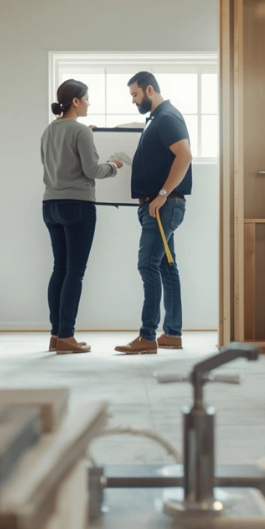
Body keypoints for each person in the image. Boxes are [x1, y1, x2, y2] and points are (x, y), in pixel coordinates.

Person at [41, 79, 123, 354]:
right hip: (77, 205)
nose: (89, 103)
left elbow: (61, 161)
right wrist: (113, 166)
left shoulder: (49, 131)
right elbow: (92, 170)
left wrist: (84, 135)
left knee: (60, 268)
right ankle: (67, 336)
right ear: (75, 101)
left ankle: (56, 335)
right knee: (75, 272)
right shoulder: (81, 132)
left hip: (50, 204)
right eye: (87, 98)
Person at [114, 72, 193, 355]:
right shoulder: (157, 119)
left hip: (163, 205)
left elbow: (185, 155)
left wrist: (161, 195)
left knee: (147, 265)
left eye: (135, 95)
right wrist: (105, 130)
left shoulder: (167, 118)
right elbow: (140, 126)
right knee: (165, 268)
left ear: (149, 89)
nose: (134, 100)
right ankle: (172, 333)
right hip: (159, 206)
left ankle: (147, 337)